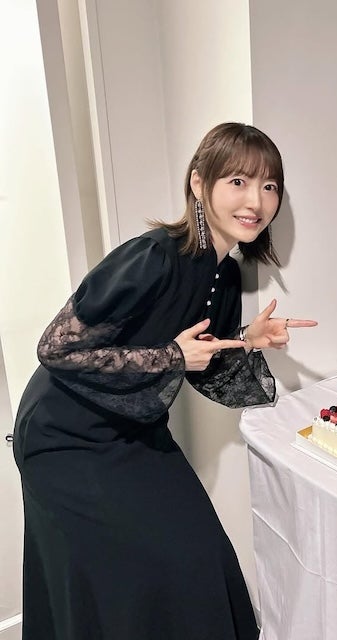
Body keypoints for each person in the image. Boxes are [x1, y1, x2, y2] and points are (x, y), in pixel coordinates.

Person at [12, 122, 317, 640]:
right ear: (199, 183)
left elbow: (204, 366)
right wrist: (171, 355)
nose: (256, 201)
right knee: (119, 582)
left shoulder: (225, 274)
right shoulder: (153, 256)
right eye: (238, 182)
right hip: (65, 438)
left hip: (134, 430)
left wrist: (246, 340)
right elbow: (56, 348)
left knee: (201, 557)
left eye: (269, 186)